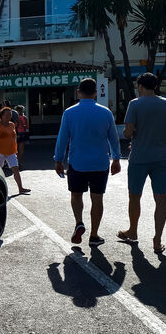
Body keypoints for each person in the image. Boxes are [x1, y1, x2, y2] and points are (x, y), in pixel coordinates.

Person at [53, 78, 121, 246]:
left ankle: (79, 223)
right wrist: (117, 159)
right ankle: (94, 235)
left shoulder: (69, 113)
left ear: (78, 92)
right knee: (97, 198)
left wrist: (58, 159)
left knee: (76, 195)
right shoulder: (106, 113)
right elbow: (113, 138)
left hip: (77, 163)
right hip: (100, 163)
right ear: (95, 93)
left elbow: (62, 139)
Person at [118, 72, 166, 254]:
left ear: (139, 87)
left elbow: (128, 133)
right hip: (162, 157)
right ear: (155, 86)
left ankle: (133, 231)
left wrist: (135, 131)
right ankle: (157, 239)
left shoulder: (135, 104)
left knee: (134, 196)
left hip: (139, 157)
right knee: (161, 199)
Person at [0, 106, 30, 194]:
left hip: (11, 152)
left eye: (10, 115)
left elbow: (13, 139)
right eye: (7, 115)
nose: (9, 117)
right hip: (0, 152)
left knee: (16, 170)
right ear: (1, 116)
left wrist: (15, 150)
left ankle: (20, 188)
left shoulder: (12, 124)